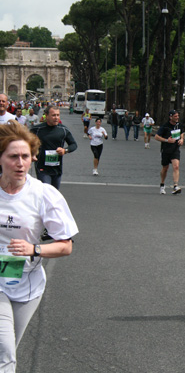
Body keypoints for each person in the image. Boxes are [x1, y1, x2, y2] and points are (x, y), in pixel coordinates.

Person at [0, 121, 77, 371]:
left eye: (25, 156)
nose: (21, 163)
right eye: (13, 157)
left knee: (12, 345)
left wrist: (34, 249)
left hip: (27, 281)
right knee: (5, 351)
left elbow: (65, 246)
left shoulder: (44, 194)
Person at [30, 105, 77, 190]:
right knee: (46, 193)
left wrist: (65, 150)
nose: (56, 117)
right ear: (46, 116)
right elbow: (26, 143)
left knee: (55, 195)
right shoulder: (37, 129)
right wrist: (32, 154)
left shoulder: (63, 130)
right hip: (42, 168)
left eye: (58, 115)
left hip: (57, 168)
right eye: (53, 115)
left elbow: (74, 145)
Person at [155, 110, 183, 195]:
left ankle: (175, 186)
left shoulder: (179, 125)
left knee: (176, 166)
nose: (177, 117)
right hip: (166, 150)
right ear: (170, 117)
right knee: (165, 168)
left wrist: (182, 139)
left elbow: (182, 133)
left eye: (178, 116)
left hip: (175, 149)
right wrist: (167, 140)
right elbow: (156, 137)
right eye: (175, 116)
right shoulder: (165, 126)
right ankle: (162, 184)